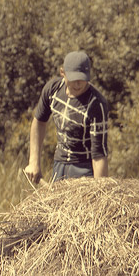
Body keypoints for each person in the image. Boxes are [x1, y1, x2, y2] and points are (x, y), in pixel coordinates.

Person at [24, 51, 109, 183]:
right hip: (60, 165)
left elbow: (98, 155)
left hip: (84, 170)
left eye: (82, 79)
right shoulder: (53, 89)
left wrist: (100, 192)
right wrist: (34, 162)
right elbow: (39, 122)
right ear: (62, 72)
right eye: (73, 79)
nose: (78, 84)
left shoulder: (96, 104)